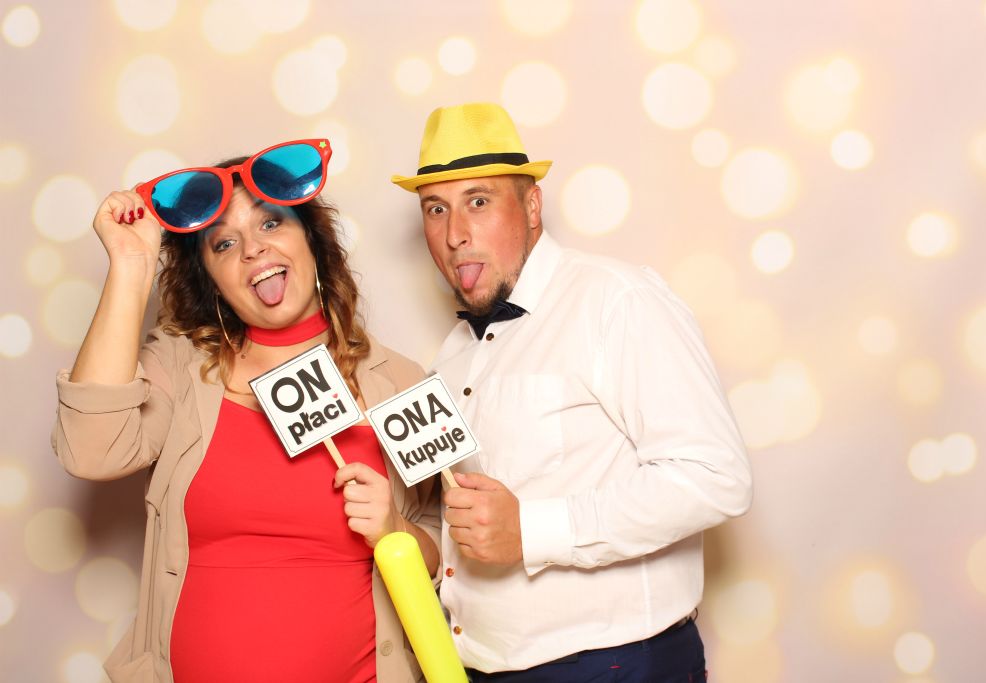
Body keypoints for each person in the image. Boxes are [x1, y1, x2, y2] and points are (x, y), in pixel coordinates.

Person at [53, 139, 440, 683]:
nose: (253, 249)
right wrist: (131, 267)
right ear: (211, 278)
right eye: (225, 243)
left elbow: (445, 553)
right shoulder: (180, 367)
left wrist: (395, 531)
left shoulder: (398, 380)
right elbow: (91, 452)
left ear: (312, 241)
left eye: (271, 223)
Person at [391, 104, 753, 681]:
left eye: (478, 202)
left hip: (615, 665)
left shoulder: (617, 301)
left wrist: (532, 530)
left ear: (532, 206)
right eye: (436, 208)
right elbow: (462, 520)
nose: (454, 234)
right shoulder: (453, 354)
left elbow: (715, 477)